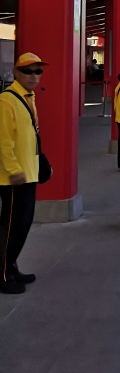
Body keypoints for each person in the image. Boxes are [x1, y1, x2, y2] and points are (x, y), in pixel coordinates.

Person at [0, 52, 45, 294]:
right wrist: (15, 170)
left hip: (28, 173)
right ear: (16, 73)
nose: (34, 76)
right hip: (14, 177)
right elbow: (3, 141)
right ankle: (3, 275)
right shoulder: (7, 101)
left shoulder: (27, 98)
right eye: (28, 71)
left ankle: (11, 267)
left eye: (38, 71)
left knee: (22, 224)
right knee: (11, 227)